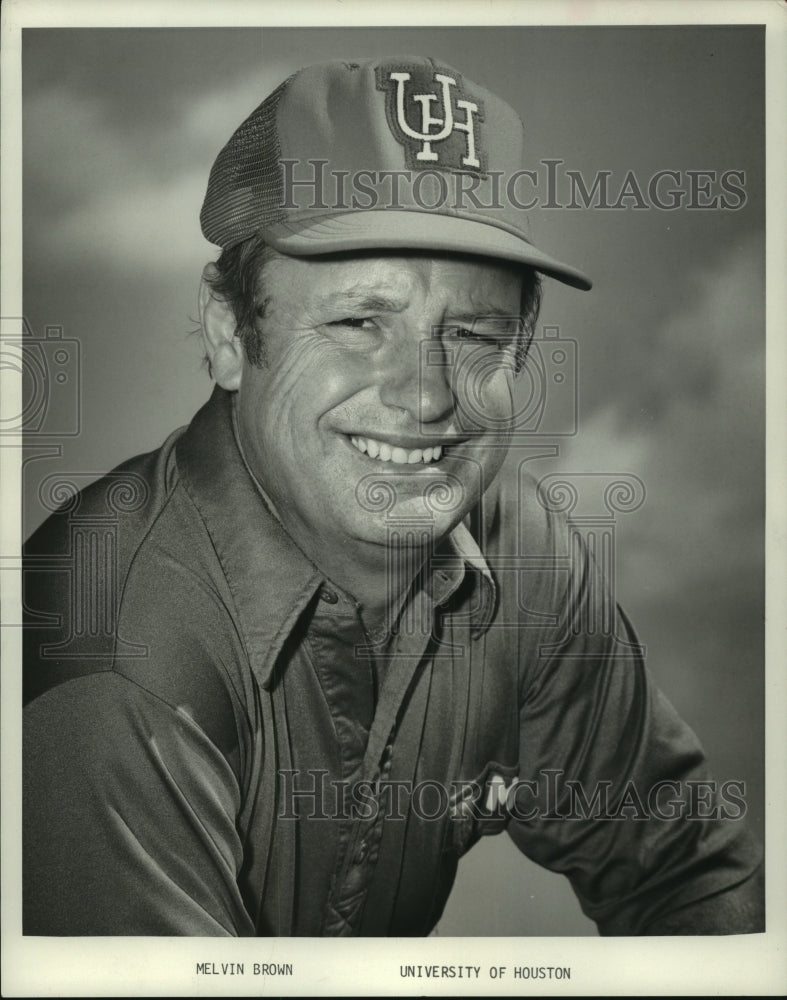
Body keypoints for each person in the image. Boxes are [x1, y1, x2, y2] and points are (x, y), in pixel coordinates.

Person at [22, 54, 763, 936]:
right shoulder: (114, 652)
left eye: (474, 333)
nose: (426, 396)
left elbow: (685, 880)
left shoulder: (519, 547)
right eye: (358, 321)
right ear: (229, 334)